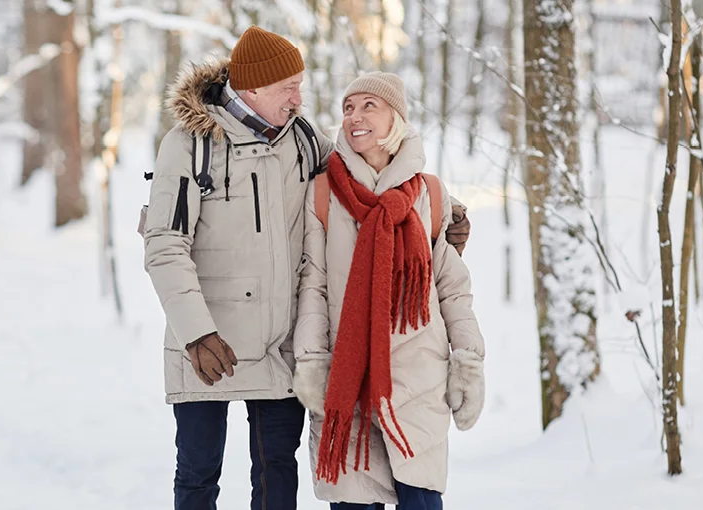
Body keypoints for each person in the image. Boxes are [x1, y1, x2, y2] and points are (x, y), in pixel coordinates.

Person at [142, 26, 470, 510]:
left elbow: (371, 173)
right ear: (252, 89)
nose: (300, 97)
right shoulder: (190, 144)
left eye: (300, 84)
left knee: (277, 475)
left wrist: (447, 211)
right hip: (209, 345)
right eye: (288, 88)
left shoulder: (301, 140)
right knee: (197, 473)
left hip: (279, 344)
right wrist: (195, 332)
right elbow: (165, 244)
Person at [290, 72, 487, 510]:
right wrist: (311, 360)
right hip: (350, 380)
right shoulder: (324, 193)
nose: (354, 117)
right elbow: (314, 285)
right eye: (347, 108)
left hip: (419, 380)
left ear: (395, 117)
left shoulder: (429, 193)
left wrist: (469, 359)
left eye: (368, 107)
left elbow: (452, 288)